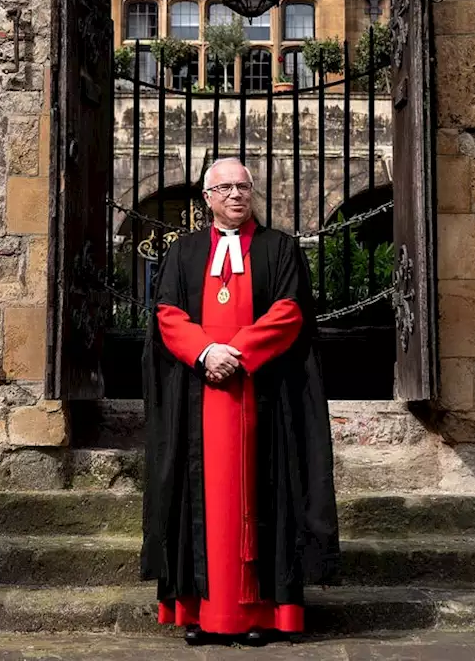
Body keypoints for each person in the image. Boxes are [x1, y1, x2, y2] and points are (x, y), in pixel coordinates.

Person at [140, 158, 340, 647]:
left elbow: (290, 312)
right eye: (224, 187)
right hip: (199, 395)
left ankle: (262, 614)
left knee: (264, 499)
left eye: (243, 186)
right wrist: (206, 352)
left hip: (263, 397)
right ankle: (200, 612)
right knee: (199, 500)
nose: (235, 195)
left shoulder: (279, 248)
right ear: (207, 197)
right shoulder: (183, 252)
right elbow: (167, 314)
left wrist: (240, 352)